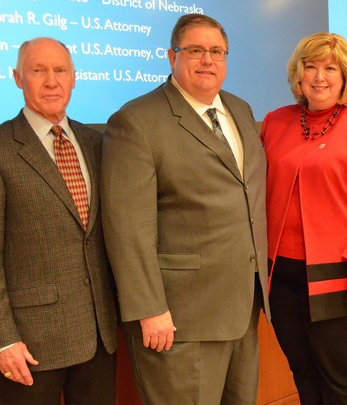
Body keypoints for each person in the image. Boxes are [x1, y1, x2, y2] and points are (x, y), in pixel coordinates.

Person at [101, 14, 269, 405]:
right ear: (171, 56)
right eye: (195, 50)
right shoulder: (136, 121)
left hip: (242, 306)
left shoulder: (240, 110)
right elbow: (127, 227)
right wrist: (149, 308)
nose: (207, 60)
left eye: (217, 51)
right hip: (180, 318)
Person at [0, 37, 118, 404]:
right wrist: (2, 339)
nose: (51, 81)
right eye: (38, 70)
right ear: (18, 78)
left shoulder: (97, 143)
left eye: (60, 70)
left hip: (99, 335)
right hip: (30, 345)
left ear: (74, 78)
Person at [261, 32, 347, 405]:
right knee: (303, 372)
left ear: (346, 77)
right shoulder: (274, 122)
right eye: (311, 67)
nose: (319, 77)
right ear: (298, 74)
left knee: (343, 380)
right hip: (283, 278)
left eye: (330, 68)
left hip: (344, 277)